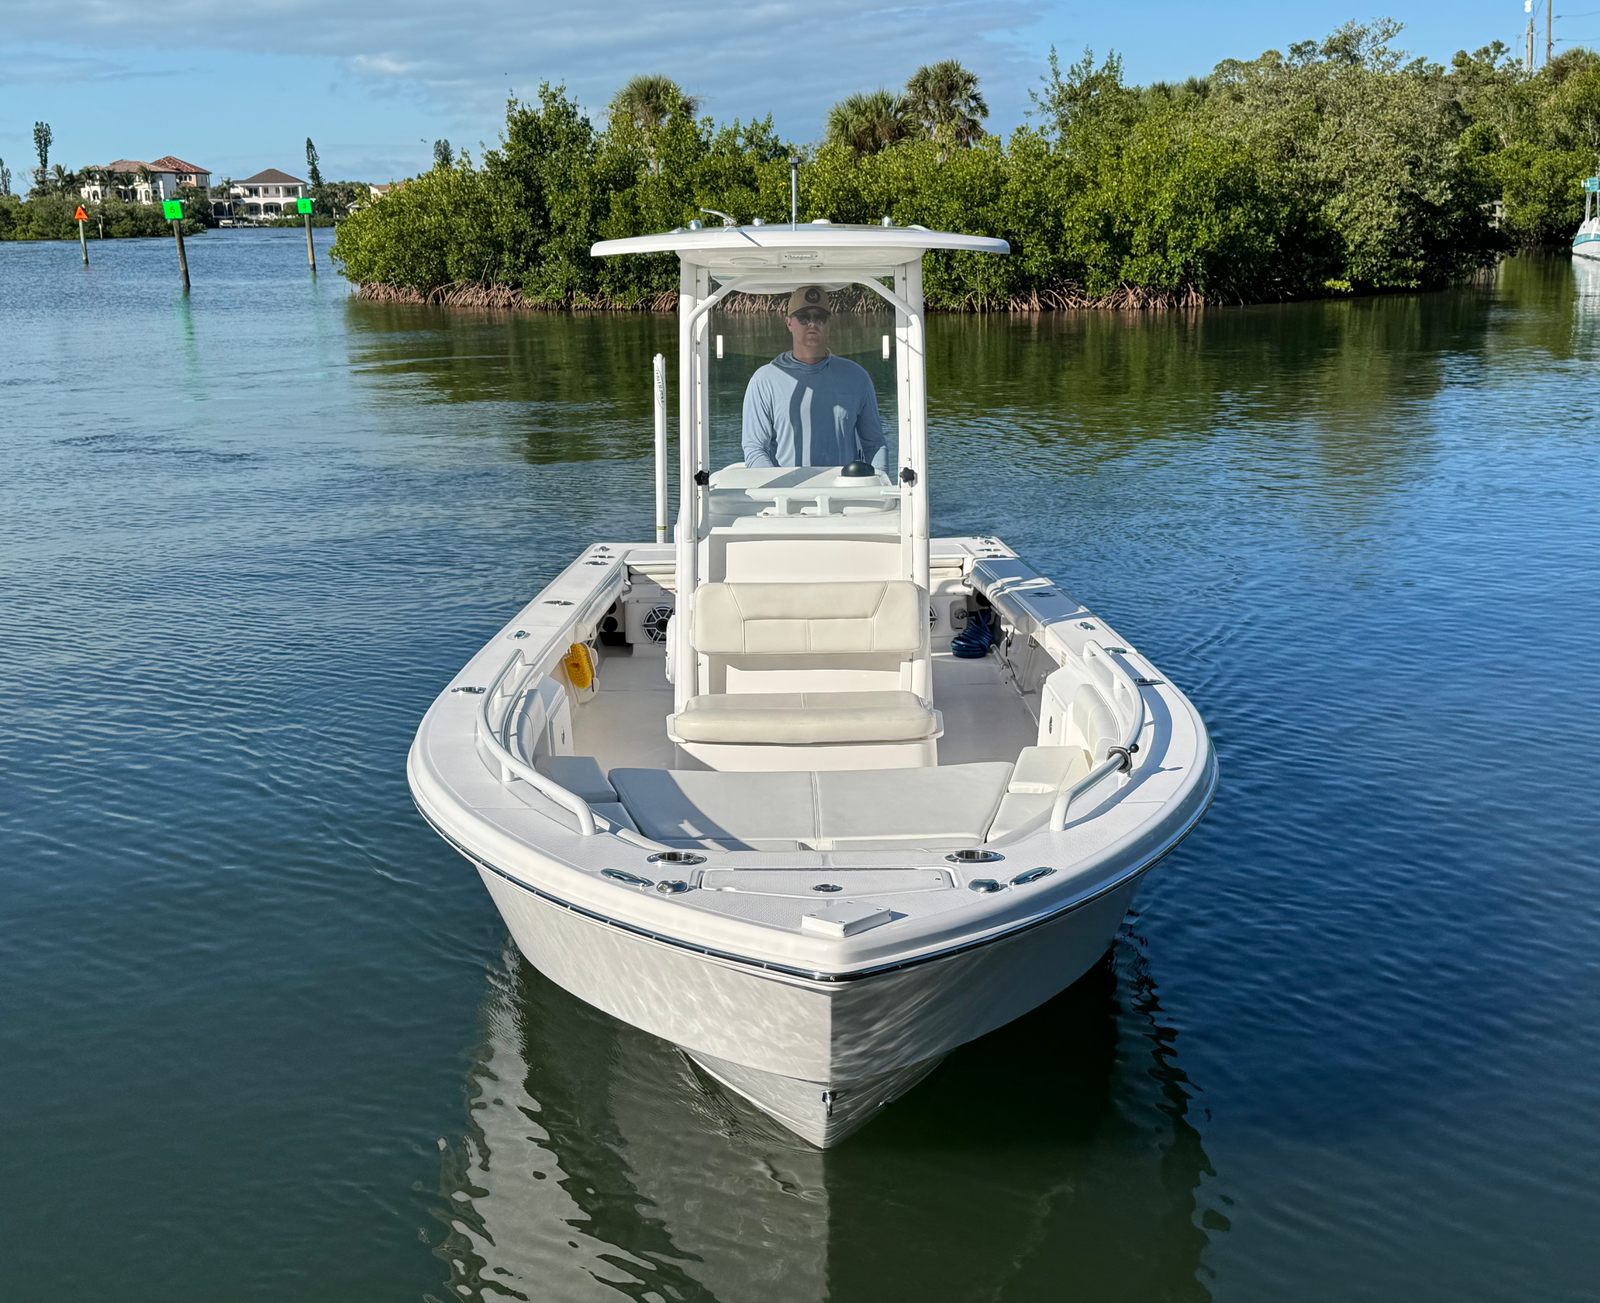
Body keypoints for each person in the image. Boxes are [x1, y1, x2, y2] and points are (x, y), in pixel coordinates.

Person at [741, 286, 887, 472]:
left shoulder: (857, 377)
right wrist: (776, 487)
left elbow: (875, 444)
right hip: (785, 490)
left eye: (820, 317)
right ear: (789, 323)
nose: (812, 323)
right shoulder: (763, 381)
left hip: (844, 489)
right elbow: (754, 449)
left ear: (829, 323)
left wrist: (880, 481)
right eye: (803, 317)